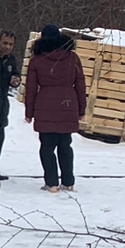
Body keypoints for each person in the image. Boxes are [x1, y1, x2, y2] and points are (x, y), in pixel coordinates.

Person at [24, 24, 87, 192]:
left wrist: (29, 112)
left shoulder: (37, 60)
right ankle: (68, 182)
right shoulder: (72, 58)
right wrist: (81, 109)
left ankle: (51, 183)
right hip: (68, 103)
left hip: (45, 104)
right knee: (65, 145)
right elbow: (80, 84)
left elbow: (31, 88)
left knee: (47, 146)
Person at [0, 30, 21, 170]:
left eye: (11, 44)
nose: (7, 47)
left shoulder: (10, 59)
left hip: (2, 104)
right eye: (5, 43)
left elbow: (15, 73)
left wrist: (16, 79)